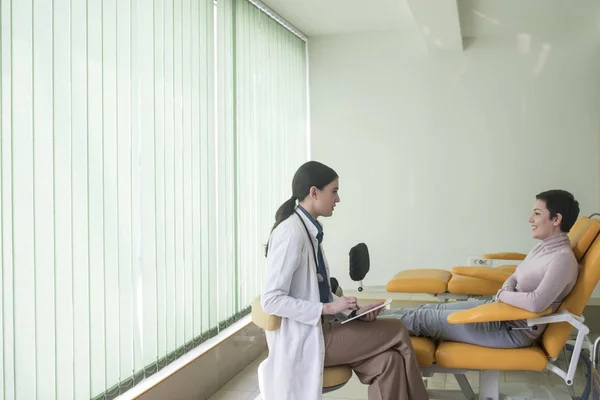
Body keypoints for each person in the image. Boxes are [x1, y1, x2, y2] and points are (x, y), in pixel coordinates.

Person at [257, 161, 429, 400]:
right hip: (307, 340)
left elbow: (317, 291)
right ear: (314, 192)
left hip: (325, 328)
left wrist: (351, 310)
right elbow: (272, 300)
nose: (338, 199)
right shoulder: (290, 234)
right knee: (397, 330)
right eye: (334, 191)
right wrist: (328, 308)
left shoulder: (309, 231)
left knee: (389, 361)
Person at [380, 189, 580, 349]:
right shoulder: (543, 247)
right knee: (428, 309)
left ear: (556, 219)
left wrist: (503, 295)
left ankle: (361, 327)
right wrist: (505, 292)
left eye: (537, 214)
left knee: (424, 319)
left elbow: (536, 303)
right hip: (499, 313)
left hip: (511, 330)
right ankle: (363, 316)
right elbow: (516, 275)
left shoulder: (561, 259)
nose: (530, 219)